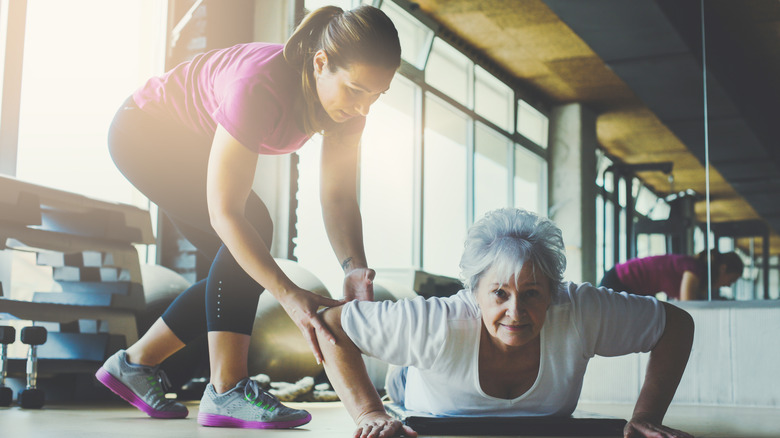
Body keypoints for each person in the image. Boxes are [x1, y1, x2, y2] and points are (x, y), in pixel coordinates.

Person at [94, 5, 400, 429]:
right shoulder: (259, 85)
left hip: (191, 144)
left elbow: (339, 198)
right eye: (356, 89)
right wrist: (290, 296)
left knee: (234, 273)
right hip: (145, 132)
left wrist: (355, 270)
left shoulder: (350, 110)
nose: (364, 107)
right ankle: (227, 389)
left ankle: (135, 362)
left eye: (376, 95)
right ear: (320, 63)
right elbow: (225, 212)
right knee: (253, 227)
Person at [314, 208, 695, 438]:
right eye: (499, 294)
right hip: (412, 382)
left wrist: (646, 416)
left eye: (531, 293)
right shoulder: (436, 321)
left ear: (552, 292)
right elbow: (331, 321)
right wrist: (368, 412)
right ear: (474, 293)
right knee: (401, 375)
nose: (516, 311)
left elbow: (675, 325)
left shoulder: (578, 310)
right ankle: (401, 369)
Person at [599, 250, 744, 301]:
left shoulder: (694, 268)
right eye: (731, 280)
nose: (728, 285)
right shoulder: (693, 268)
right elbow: (688, 304)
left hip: (624, 283)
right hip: (618, 281)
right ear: (723, 269)